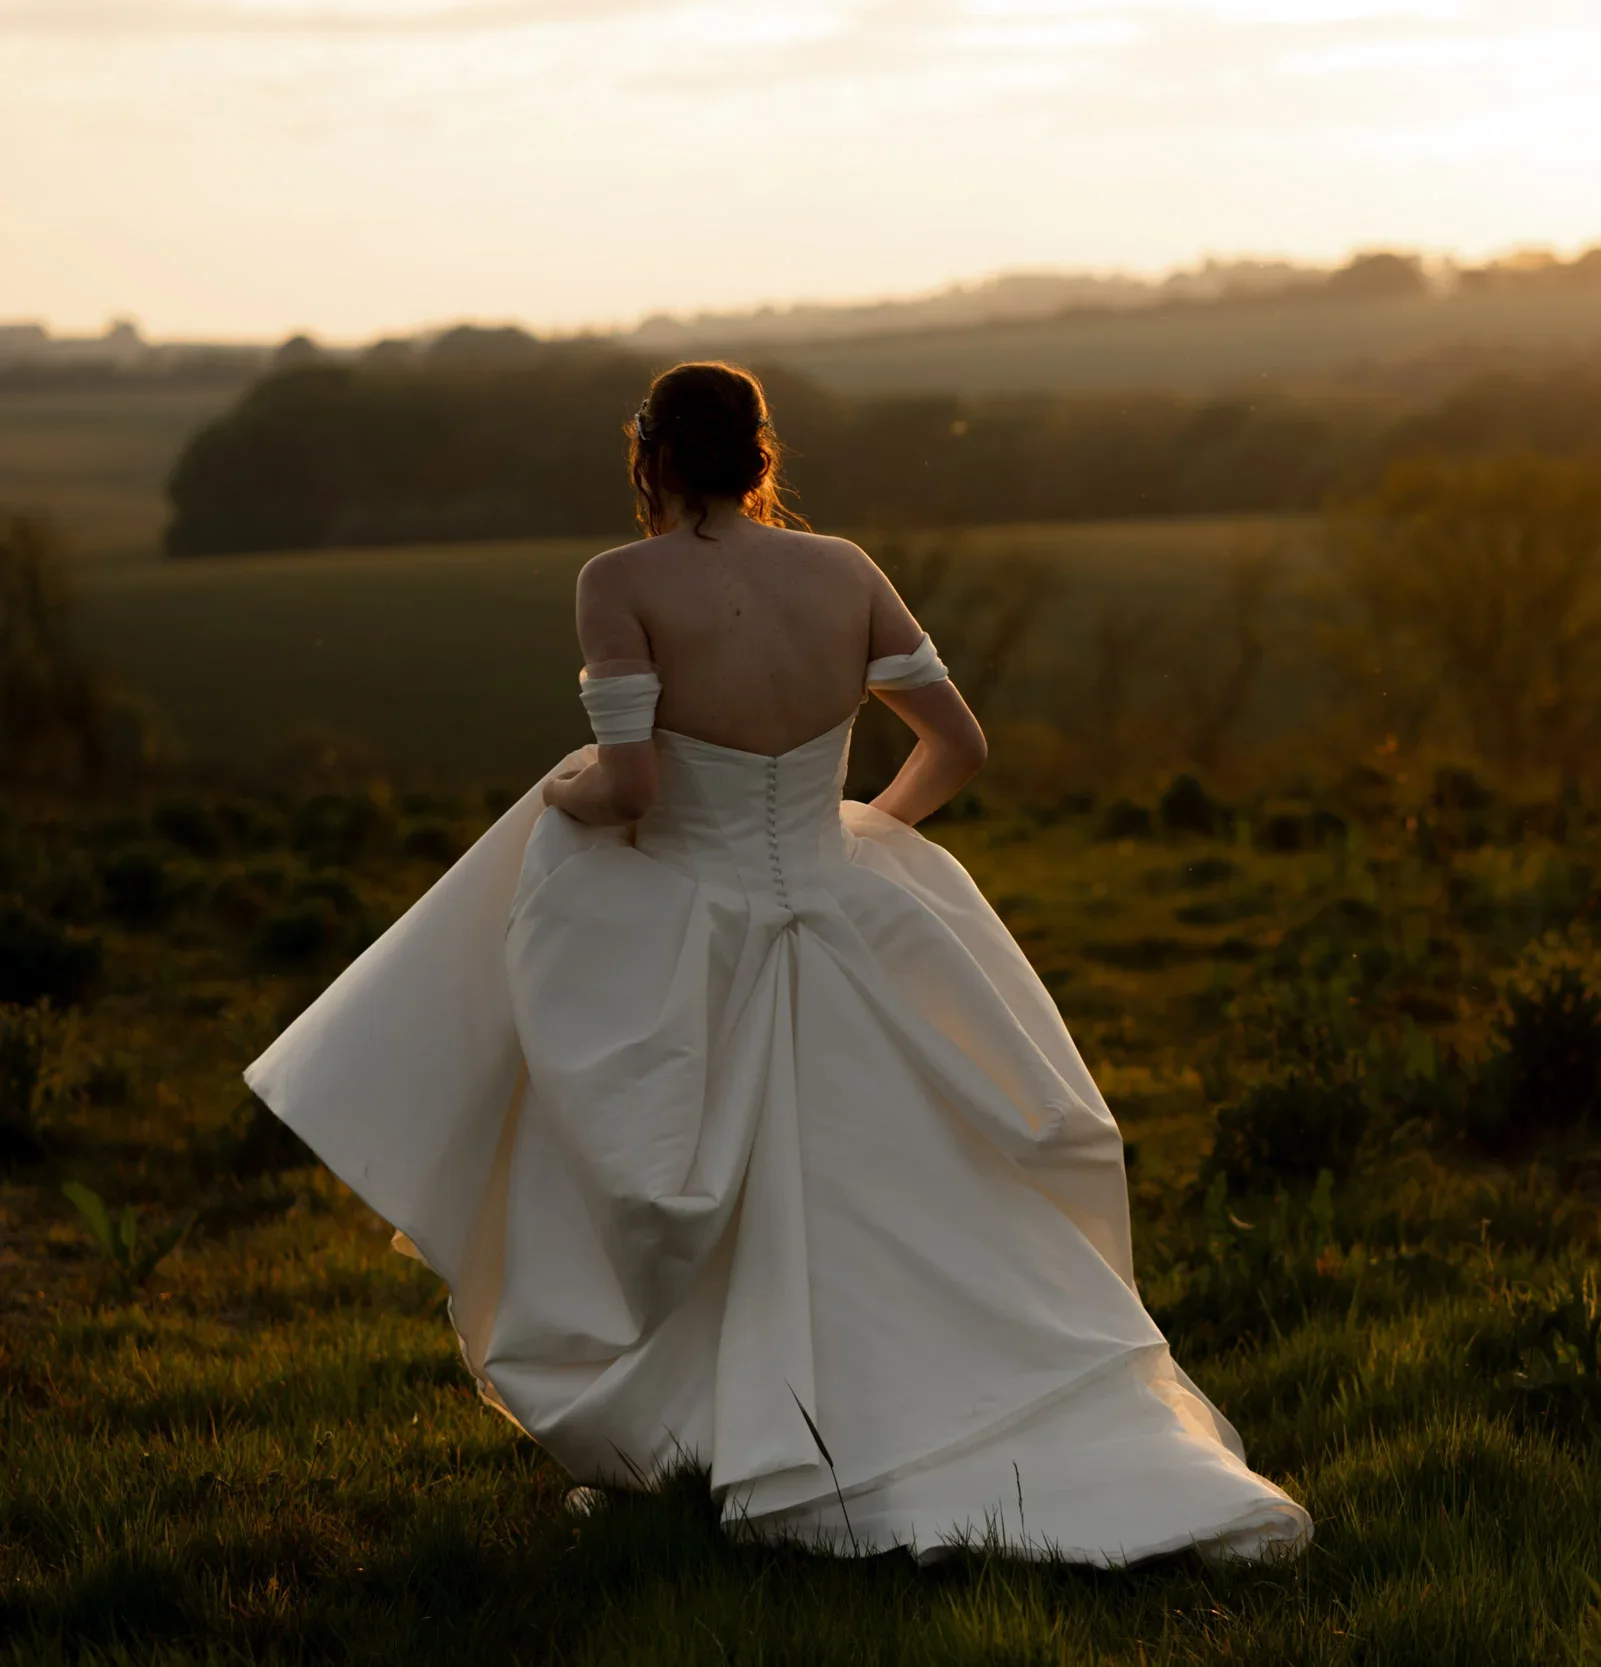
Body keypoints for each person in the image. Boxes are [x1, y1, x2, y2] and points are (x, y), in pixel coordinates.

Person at [246, 361, 1310, 1563]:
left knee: (673, 1156)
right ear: (761, 454)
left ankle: (715, 1435)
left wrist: (562, 792)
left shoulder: (618, 581)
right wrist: (857, 836)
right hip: (839, 898)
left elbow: (635, 784)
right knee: (907, 1177)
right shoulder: (845, 569)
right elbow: (956, 744)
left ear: (651, 458)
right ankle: (978, 1417)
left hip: (694, 923)